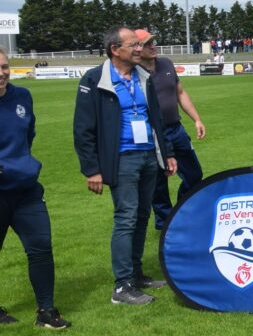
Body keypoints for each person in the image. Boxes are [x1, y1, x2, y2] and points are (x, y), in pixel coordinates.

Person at [74, 26, 177, 305]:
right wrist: (91, 169)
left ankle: (136, 274)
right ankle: (122, 287)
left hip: (147, 156)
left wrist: (165, 152)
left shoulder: (144, 76)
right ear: (114, 50)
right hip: (122, 158)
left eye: (138, 44)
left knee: (143, 215)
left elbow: (155, 118)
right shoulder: (94, 78)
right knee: (126, 217)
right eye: (132, 45)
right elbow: (83, 129)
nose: (138, 48)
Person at [0, 49, 71, 328]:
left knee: (41, 247)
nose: (1, 73)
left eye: (5, 66)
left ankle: (46, 312)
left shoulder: (22, 97)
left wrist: (18, 164)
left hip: (26, 189)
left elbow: (28, 135)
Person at [134, 29, 205, 230]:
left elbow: (180, 92)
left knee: (194, 173)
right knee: (158, 183)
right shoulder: (132, 73)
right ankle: (165, 223)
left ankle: (182, 211)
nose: (153, 46)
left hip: (176, 130)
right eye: (148, 43)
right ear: (137, 47)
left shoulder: (166, 63)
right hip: (152, 135)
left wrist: (197, 119)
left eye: (153, 42)